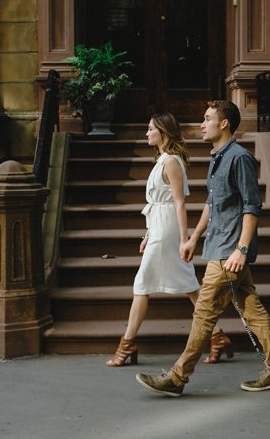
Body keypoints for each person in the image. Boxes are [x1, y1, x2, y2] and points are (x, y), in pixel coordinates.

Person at [135, 100, 270, 395]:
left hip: (230, 252)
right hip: (219, 246)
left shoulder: (239, 157)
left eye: (207, 119)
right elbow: (212, 203)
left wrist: (241, 250)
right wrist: (193, 237)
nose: (201, 125)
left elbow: (252, 206)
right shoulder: (217, 157)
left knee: (203, 314)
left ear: (224, 123)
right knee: (252, 311)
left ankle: (178, 377)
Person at [106, 112, 232, 366]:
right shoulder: (162, 159)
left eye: (151, 129)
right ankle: (217, 336)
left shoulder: (171, 161)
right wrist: (148, 233)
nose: (147, 133)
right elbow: (157, 203)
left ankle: (127, 344)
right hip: (159, 228)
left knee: (142, 285)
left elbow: (178, 202)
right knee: (188, 286)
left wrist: (185, 239)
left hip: (168, 231)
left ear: (163, 131)